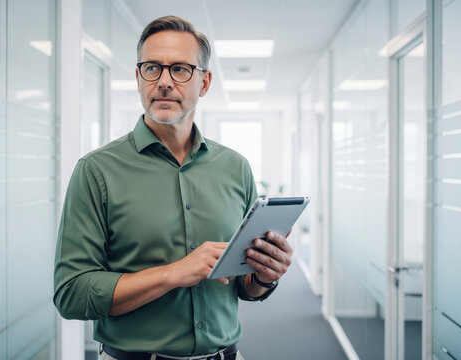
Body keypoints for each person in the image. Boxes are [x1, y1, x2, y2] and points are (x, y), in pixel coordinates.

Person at [54, 15, 293, 360]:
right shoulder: (96, 171)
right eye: (152, 68)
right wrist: (173, 273)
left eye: (180, 69)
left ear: (205, 82)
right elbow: (71, 294)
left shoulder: (235, 167)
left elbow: (244, 287)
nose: (164, 82)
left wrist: (266, 275)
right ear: (138, 78)